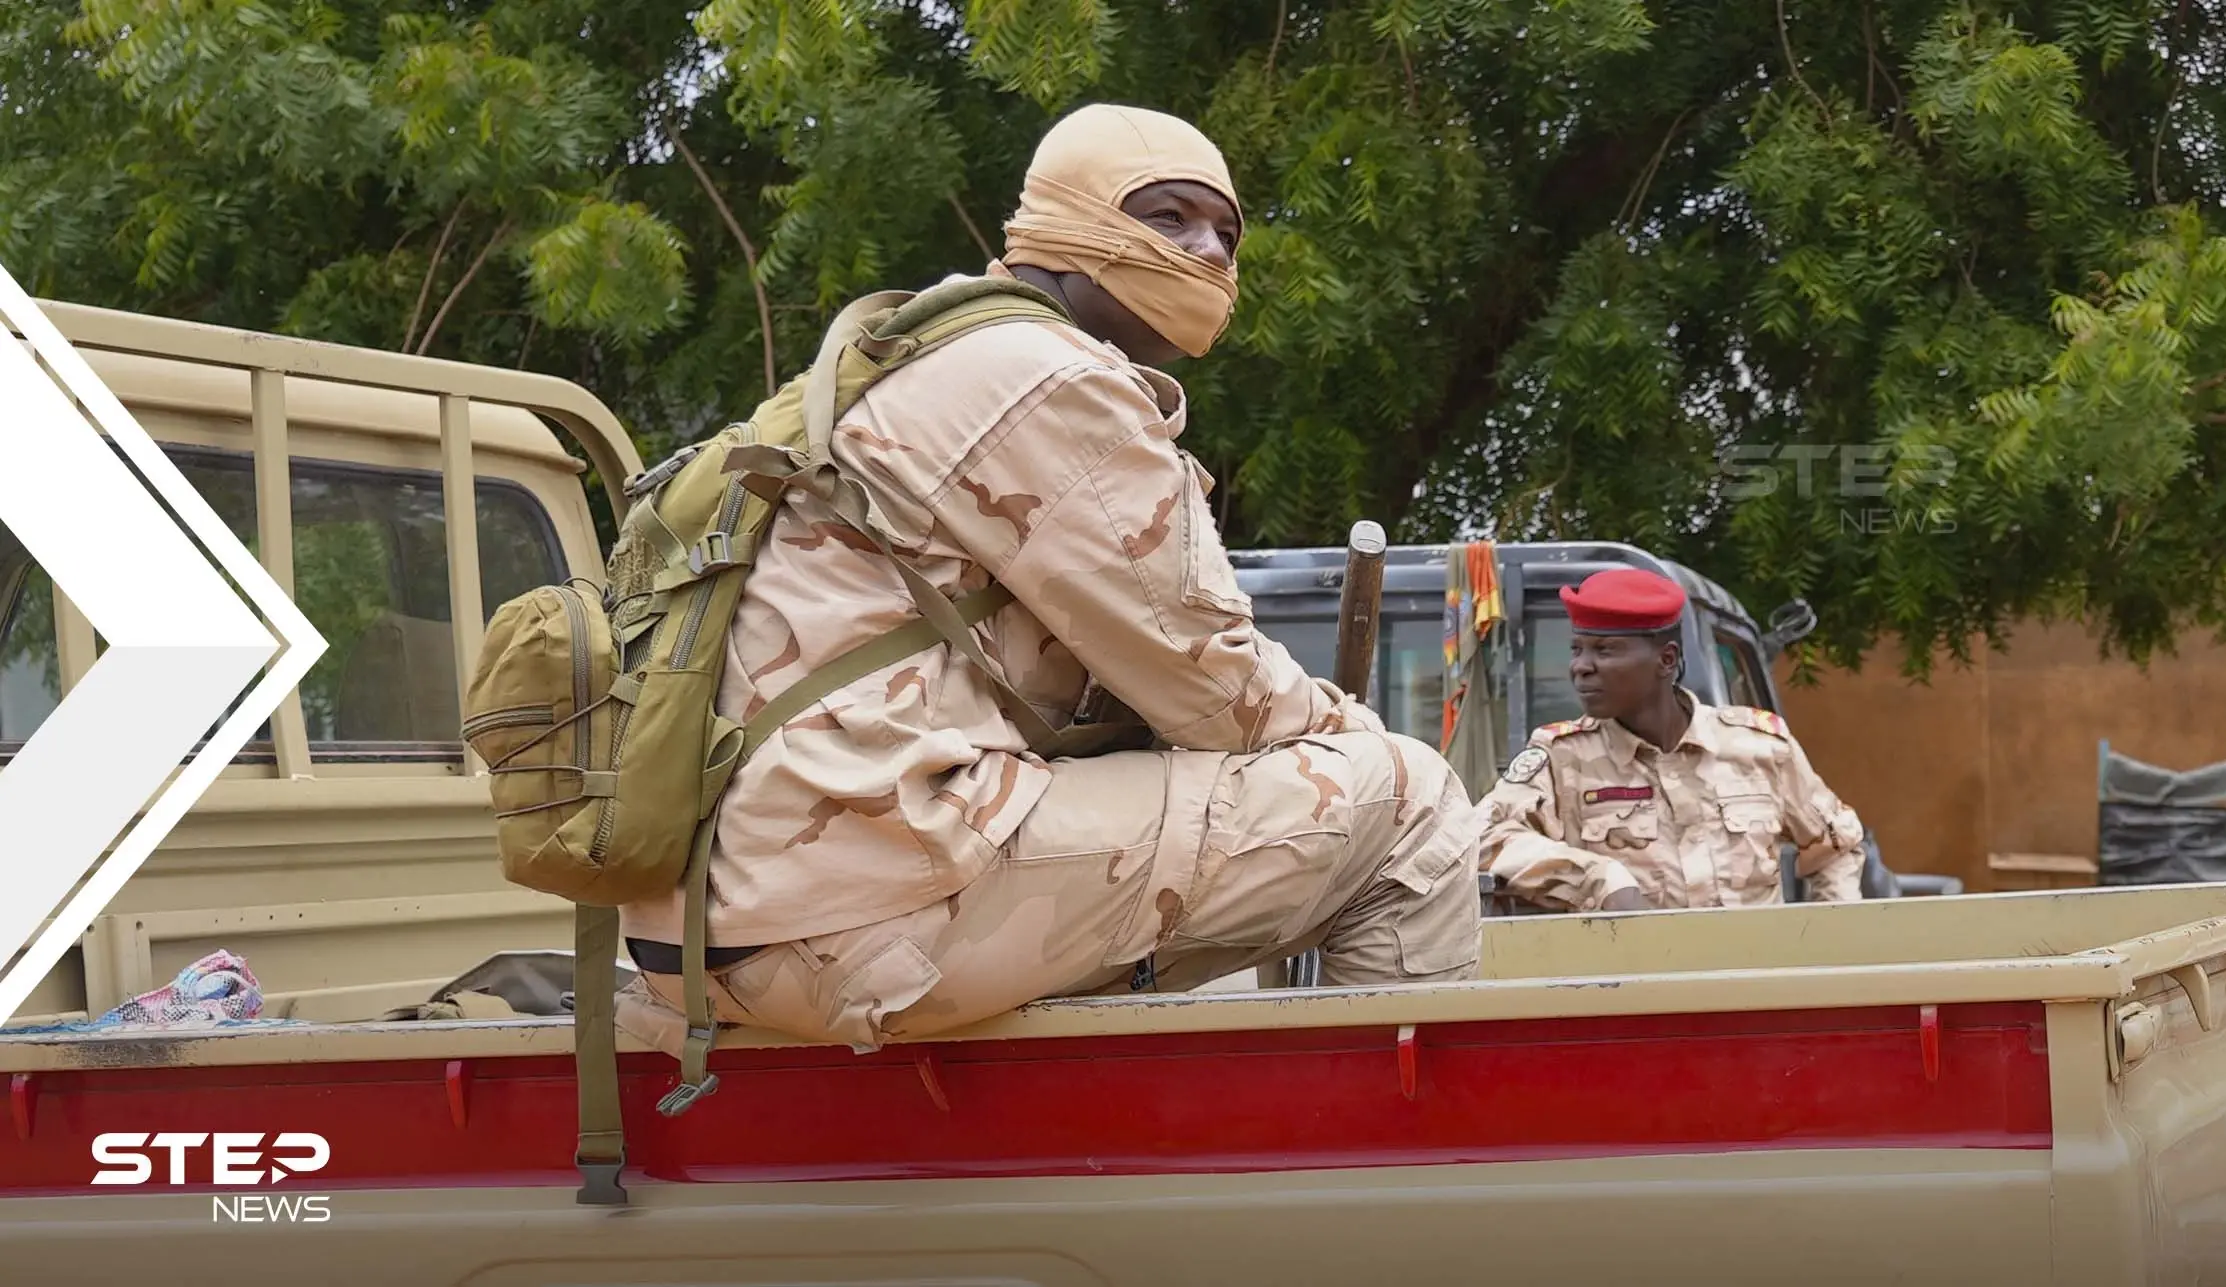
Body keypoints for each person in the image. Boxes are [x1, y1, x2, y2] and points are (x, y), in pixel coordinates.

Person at [614, 103, 1482, 1058]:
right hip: (860, 908)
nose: (1209, 255)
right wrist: (1350, 729)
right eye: (1169, 218)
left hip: (714, 922)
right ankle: (1379, 1171)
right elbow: (1219, 695)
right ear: (1067, 219)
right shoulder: (1046, 378)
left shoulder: (916, 352)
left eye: (1226, 234)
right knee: (1410, 800)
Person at [1475, 567, 1866, 912]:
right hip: (1631, 989)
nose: (1581, 667)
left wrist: (1829, 943)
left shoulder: (1758, 747)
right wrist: (1597, 878)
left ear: (1666, 660)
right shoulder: (1561, 757)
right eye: (1577, 649)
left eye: (1605, 650)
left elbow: (1837, 847)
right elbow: (1482, 840)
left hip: (1751, 984)